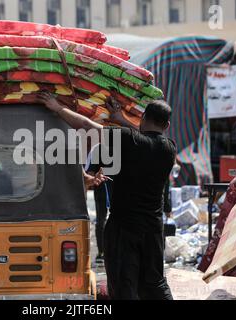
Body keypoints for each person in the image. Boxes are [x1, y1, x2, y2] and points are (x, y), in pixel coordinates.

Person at [38, 92, 177, 300]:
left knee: (124, 286)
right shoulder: (169, 149)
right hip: (153, 230)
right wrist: (121, 119)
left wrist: (57, 107)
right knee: (155, 283)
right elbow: (143, 139)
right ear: (166, 126)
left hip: (124, 229)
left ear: (143, 118)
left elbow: (87, 126)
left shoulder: (128, 139)